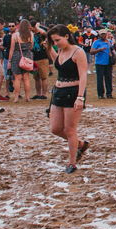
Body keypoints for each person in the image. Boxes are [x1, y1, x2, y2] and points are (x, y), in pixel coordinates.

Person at [45, 24, 90, 174]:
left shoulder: (78, 52)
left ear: (66, 36)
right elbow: (58, 63)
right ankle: (80, 145)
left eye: (57, 40)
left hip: (73, 92)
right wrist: (47, 45)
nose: (56, 43)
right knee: (55, 128)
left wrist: (80, 97)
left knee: (70, 129)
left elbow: (83, 75)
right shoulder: (61, 51)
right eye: (53, 41)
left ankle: (72, 163)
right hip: (58, 92)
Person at [9, 20, 35, 104]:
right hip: (27, 57)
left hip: (17, 56)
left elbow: (12, 49)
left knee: (17, 78)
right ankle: (27, 97)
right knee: (26, 78)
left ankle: (16, 97)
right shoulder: (30, 35)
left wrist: (9, 60)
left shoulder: (15, 35)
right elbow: (31, 47)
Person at [90, 29, 114, 99]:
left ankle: (109, 93)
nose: (103, 35)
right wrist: (100, 49)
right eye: (101, 34)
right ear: (99, 35)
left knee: (109, 79)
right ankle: (101, 94)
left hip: (108, 62)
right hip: (100, 63)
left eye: (104, 34)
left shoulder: (109, 42)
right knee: (100, 79)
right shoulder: (96, 42)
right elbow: (92, 51)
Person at [30, 22, 49, 100]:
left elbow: (45, 33)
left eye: (31, 28)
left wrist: (37, 27)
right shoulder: (31, 35)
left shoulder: (41, 34)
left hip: (42, 57)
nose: (30, 30)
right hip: (34, 58)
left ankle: (44, 94)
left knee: (43, 77)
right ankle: (38, 94)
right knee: (36, 78)